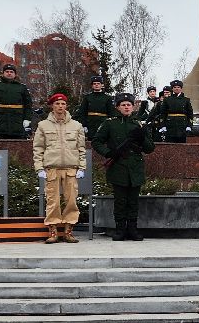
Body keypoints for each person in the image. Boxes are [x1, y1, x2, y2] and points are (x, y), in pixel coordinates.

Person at [92, 93, 154, 241]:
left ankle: (132, 229)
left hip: (135, 167)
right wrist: (109, 152)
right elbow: (96, 141)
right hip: (118, 166)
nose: (126, 107)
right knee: (120, 201)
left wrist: (142, 137)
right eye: (123, 105)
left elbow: (150, 148)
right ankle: (120, 229)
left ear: (133, 107)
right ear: (118, 107)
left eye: (129, 105)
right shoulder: (110, 123)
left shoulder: (139, 124)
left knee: (133, 201)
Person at [32, 92, 88, 244]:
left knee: (71, 201)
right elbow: (38, 148)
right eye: (57, 104)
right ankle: (53, 231)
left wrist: (82, 167)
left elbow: (81, 148)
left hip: (71, 169)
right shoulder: (43, 125)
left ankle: (68, 231)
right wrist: (39, 168)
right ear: (52, 106)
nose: (60, 106)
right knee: (53, 201)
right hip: (51, 169)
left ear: (66, 106)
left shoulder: (76, 126)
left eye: (63, 104)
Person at [0, 63, 34, 140]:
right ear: (3, 73)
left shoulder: (22, 87)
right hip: (1, 119)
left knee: (19, 143)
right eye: (7, 71)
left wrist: (27, 118)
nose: (9, 73)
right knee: (1, 142)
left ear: (15, 74)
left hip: (17, 119)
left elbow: (28, 104)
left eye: (11, 72)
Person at [75, 76, 114, 141]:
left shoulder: (107, 98)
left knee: (102, 140)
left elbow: (111, 113)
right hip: (90, 124)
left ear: (102, 85)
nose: (96, 85)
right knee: (91, 142)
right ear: (92, 86)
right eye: (94, 84)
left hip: (103, 123)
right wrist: (84, 125)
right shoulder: (87, 97)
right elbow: (83, 112)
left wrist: (109, 125)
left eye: (98, 83)